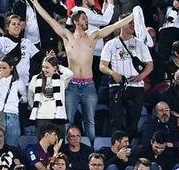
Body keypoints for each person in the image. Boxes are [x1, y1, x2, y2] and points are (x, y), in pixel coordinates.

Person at [29, 0, 134, 142]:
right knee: (68, 121)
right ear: (76, 21)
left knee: (90, 121)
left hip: (89, 85)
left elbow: (115, 25)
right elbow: (49, 19)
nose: (87, 21)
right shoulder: (67, 36)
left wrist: (135, 14)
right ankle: (64, 149)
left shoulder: (93, 36)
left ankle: (91, 149)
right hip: (71, 85)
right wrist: (36, 3)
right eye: (85, 18)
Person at [99, 20, 153, 138]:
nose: (133, 25)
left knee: (133, 120)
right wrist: (113, 73)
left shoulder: (140, 43)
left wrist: (141, 76)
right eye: (130, 23)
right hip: (117, 86)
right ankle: (116, 148)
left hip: (137, 87)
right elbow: (102, 66)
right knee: (116, 119)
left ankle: (130, 149)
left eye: (134, 23)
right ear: (121, 24)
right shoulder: (110, 44)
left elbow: (150, 65)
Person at [0, 56, 26, 148]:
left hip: (11, 114)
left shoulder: (16, 80)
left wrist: (20, 100)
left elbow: (24, 94)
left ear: (11, 68)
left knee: (12, 145)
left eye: (4, 68)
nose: (1, 70)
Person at [28, 54, 74, 135]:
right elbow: (30, 95)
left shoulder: (61, 79)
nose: (44, 70)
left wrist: (56, 62)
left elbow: (70, 74)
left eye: (47, 67)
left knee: (59, 144)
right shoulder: (36, 78)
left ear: (54, 68)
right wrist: (35, 107)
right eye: (43, 67)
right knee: (42, 145)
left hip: (58, 117)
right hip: (42, 117)